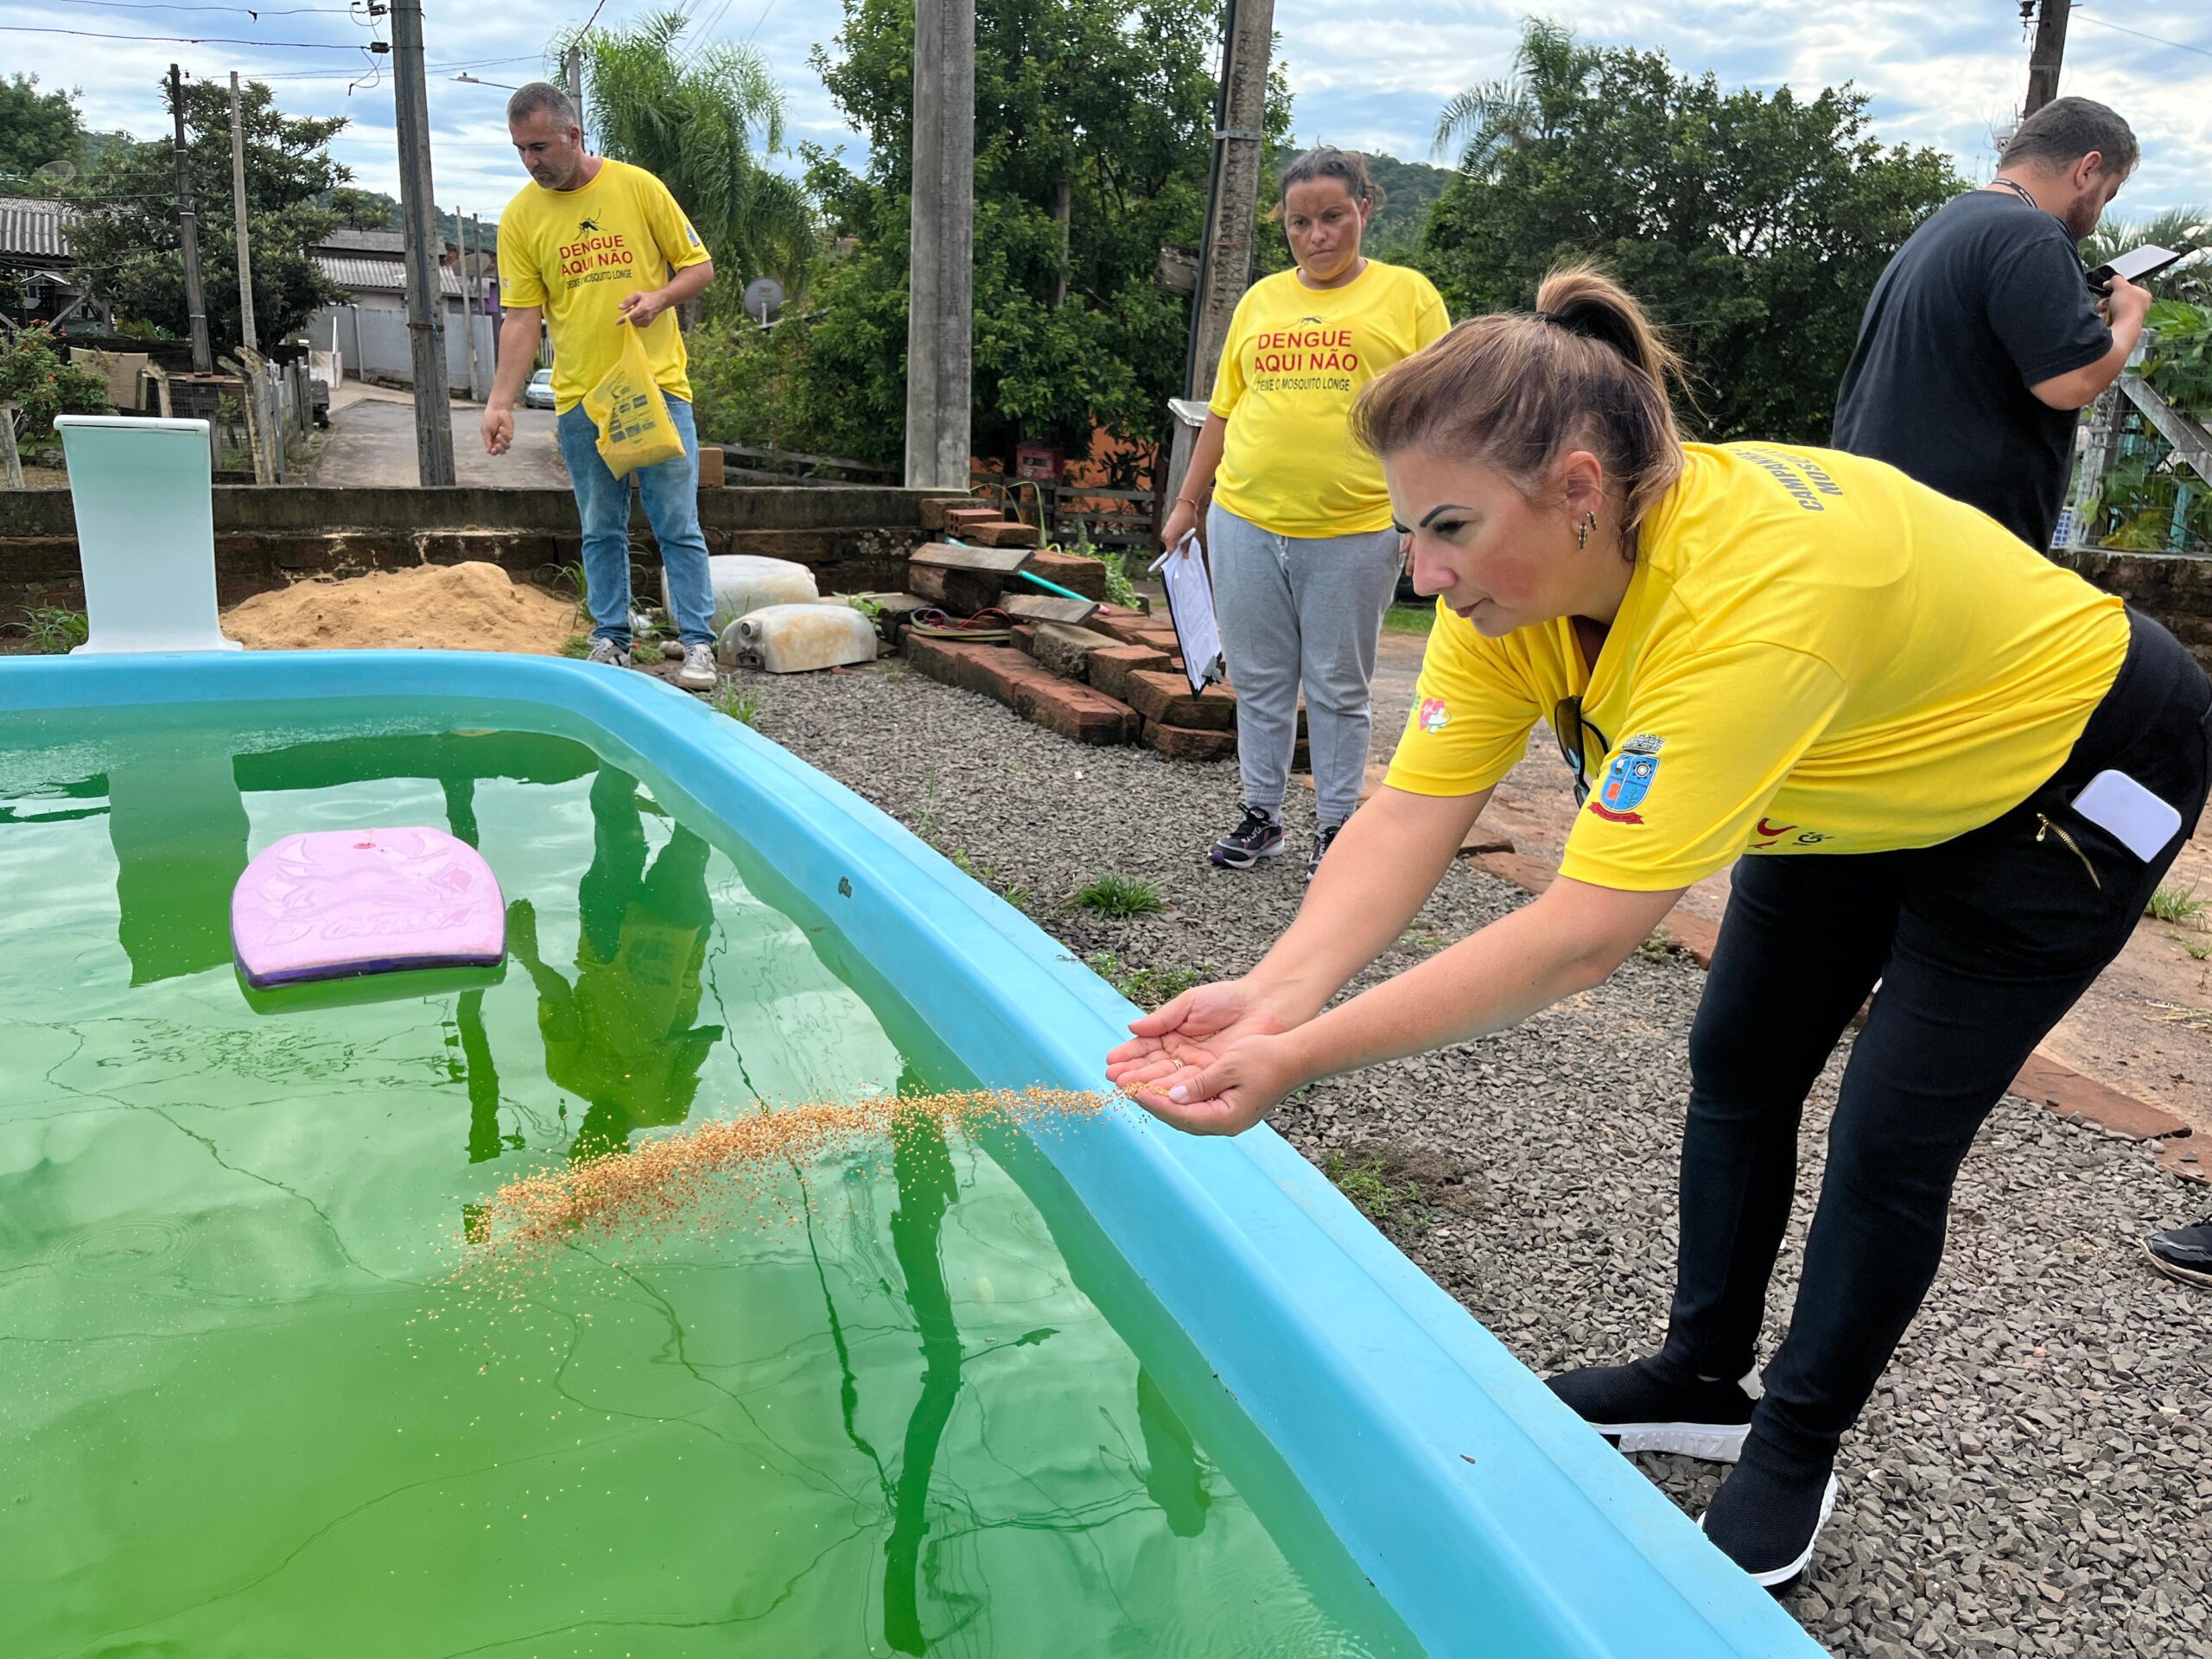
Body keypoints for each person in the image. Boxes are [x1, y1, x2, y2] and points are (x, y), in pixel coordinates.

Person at [1106, 266, 2212, 1589]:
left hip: (2073, 765)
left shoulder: (1750, 604)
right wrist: (1274, 992)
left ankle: (1794, 1443)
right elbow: (1412, 811)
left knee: (1893, 1126)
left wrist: (1301, 1060)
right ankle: (1701, 1375)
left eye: (1447, 527)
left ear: (1581, 488)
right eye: (1409, 530)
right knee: (1742, 1054)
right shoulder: (1519, 582)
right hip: (1848, 765)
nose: (1423, 571)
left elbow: (1581, 934)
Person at [1163, 147, 1450, 880]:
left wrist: (1427, 520)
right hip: (1246, 520)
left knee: (1337, 685)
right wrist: (1189, 502)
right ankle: (1262, 815)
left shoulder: (1408, 296)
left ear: (1364, 208)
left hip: (1353, 528)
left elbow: (1438, 420)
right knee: (1259, 679)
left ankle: (1337, 827)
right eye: (1299, 222)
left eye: (1331, 216)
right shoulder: (1259, 301)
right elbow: (1224, 412)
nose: (1316, 234)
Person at [483, 81, 721, 692]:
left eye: (539, 146)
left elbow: (700, 266)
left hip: (657, 386)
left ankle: (696, 644)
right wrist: (500, 401)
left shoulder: (638, 187)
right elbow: (521, 318)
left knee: (677, 520)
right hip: (582, 397)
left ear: (573, 135)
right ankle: (612, 637)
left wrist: (659, 297)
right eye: (520, 150)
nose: (531, 160)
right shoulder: (520, 218)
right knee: (599, 525)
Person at [1833, 97, 2148, 554]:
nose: (2099, 216)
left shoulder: (1951, 223)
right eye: (2108, 193)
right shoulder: (2034, 232)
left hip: (1884, 516)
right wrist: (2130, 317)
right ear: (2087, 169)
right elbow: (2073, 381)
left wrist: (2069, 326)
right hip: (1959, 541)